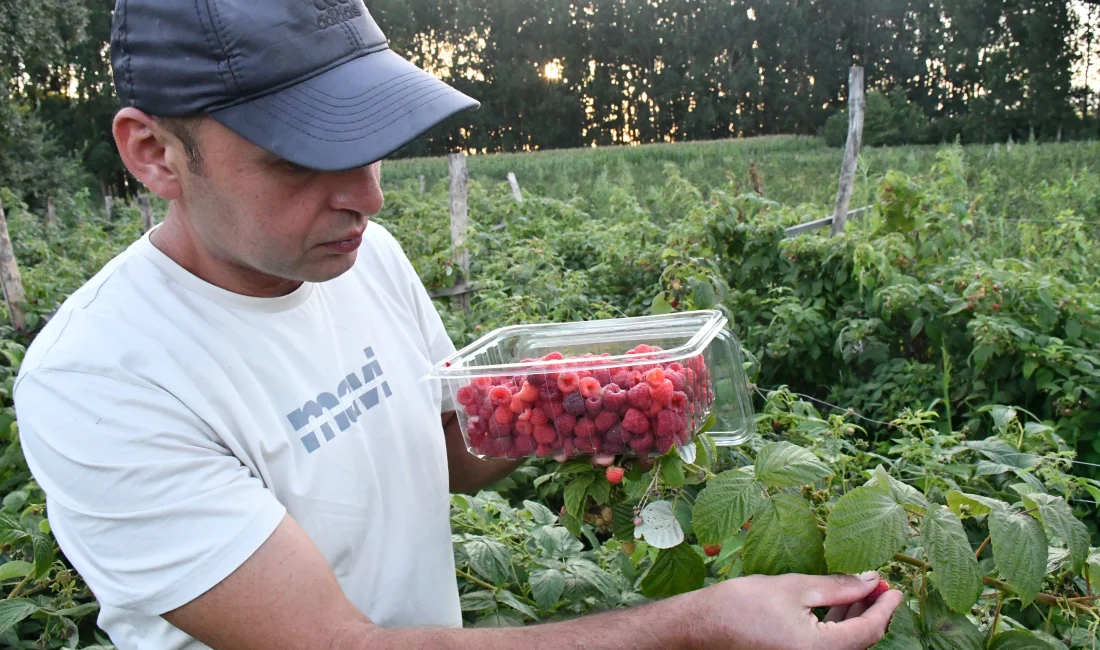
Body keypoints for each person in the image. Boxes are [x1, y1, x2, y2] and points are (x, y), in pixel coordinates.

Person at [13, 1, 903, 648]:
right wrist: (703, 623)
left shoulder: (364, 255)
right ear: (154, 152)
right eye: (299, 161)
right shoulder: (104, 381)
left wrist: (595, 400)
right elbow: (342, 647)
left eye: (368, 147)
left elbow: (445, 452)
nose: (366, 196)